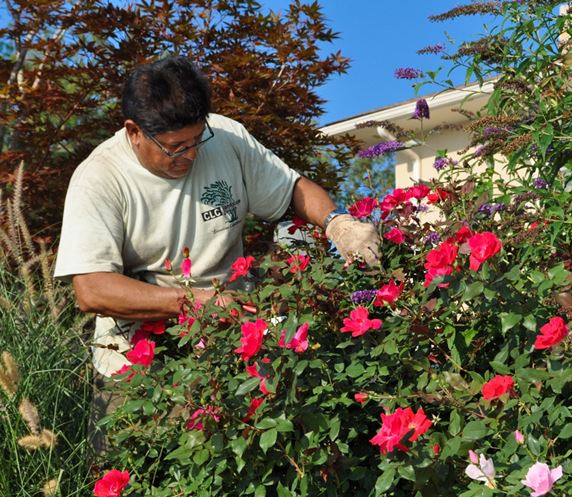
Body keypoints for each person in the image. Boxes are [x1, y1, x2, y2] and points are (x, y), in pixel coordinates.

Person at [53, 56, 380, 422]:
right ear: (134, 132)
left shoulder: (225, 136)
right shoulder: (100, 178)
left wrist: (338, 223)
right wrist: (195, 302)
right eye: (175, 146)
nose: (191, 155)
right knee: (155, 466)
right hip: (138, 364)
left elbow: (291, 189)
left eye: (197, 140)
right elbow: (92, 290)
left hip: (231, 341)